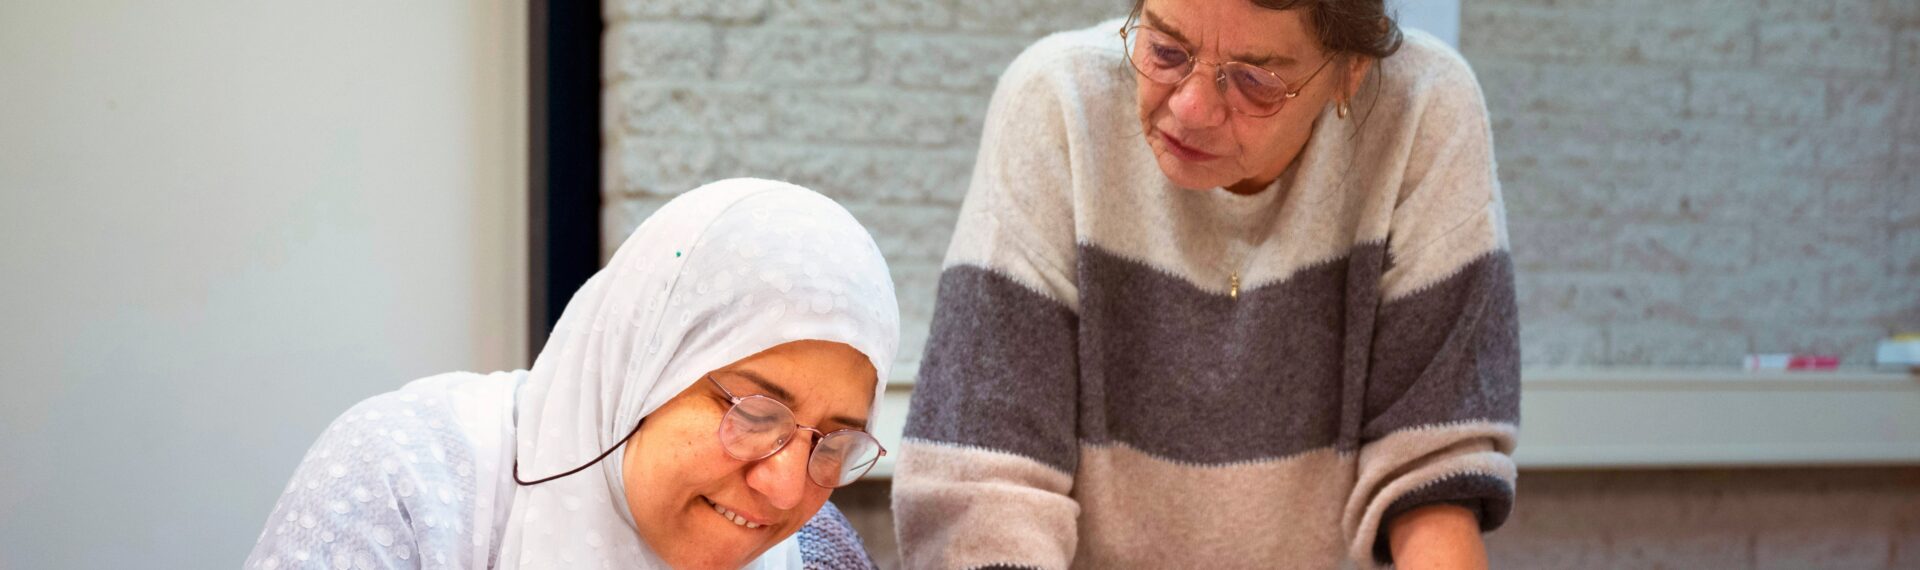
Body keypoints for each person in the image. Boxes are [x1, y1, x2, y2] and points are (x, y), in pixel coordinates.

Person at [893, 0, 1518, 568]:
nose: (1190, 108)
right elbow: (984, 487)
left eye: (1254, 79)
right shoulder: (1058, 102)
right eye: (1165, 51)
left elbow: (1433, 470)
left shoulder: (1424, 109)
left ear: (1349, 71)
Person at [246, 178, 899, 569]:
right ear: (643, 365)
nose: (786, 489)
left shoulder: (817, 552)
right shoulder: (411, 480)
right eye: (756, 416)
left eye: (834, 444)